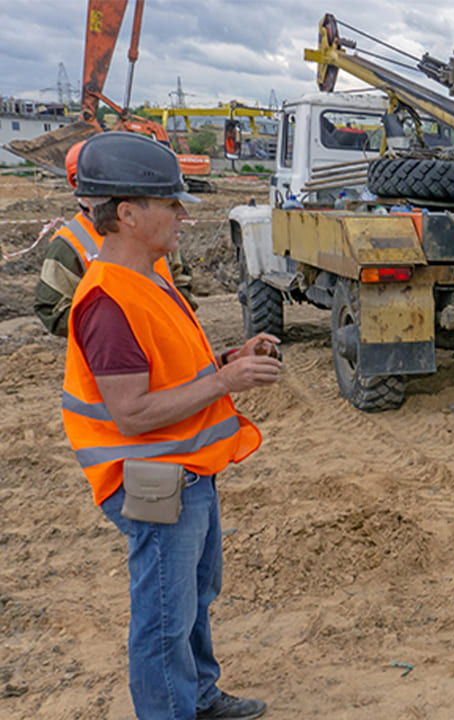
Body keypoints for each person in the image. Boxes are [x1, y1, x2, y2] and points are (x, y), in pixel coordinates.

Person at [60, 132, 282, 720]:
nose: (183, 215)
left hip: (188, 473)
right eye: (171, 203)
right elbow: (130, 413)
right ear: (128, 215)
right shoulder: (108, 303)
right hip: (152, 481)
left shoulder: (150, 279)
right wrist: (223, 385)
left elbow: (168, 373)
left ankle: (199, 697)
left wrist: (227, 362)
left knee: (193, 598)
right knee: (164, 615)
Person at [34, 141, 198, 337]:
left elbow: (180, 279)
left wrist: (172, 317)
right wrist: (113, 327)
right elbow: (53, 310)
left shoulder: (157, 232)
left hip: (169, 336)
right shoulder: (69, 243)